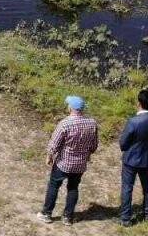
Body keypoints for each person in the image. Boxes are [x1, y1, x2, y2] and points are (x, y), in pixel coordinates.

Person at [37, 95, 99, 225]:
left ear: (71, 108)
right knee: (73, 188)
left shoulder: (65, 123)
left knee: (54, 185)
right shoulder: (92, 123)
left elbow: (54, 143)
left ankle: (46, 214)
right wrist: (88, 154)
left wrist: (49, 156)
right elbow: (94, 145)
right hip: (80, 164)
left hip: (63, 162)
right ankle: (68, 217)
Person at [119, 89, 148, 226]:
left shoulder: (133, 121)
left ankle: (126, 218)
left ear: (139, 103)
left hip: (131, 160)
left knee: (127, 188)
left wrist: (127, 148)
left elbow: (123, 143)